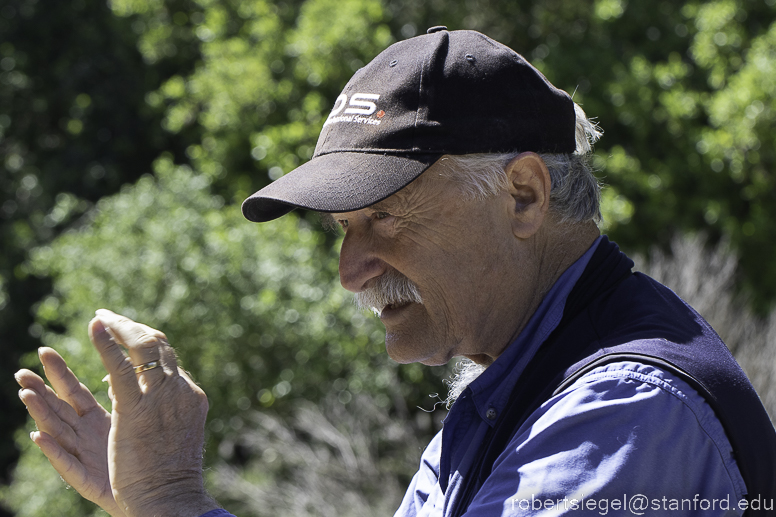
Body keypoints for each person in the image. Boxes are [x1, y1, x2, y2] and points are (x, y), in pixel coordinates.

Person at [14, 27, 776, 517]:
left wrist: (171, 500)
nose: (352, 271)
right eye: (344, 228)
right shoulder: (513, 380)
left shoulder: (624, 407)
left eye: (385, 216)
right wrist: (155, 499)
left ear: (523, 194)